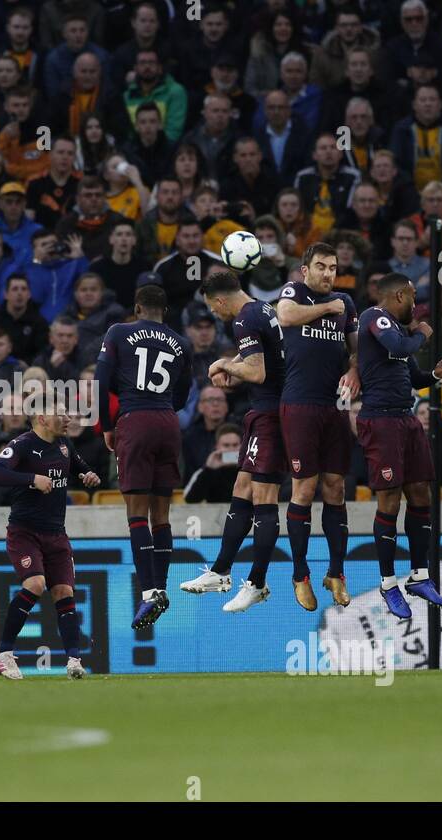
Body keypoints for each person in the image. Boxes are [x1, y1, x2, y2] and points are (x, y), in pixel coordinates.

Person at [181, 272, 286, 612]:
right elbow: (266, 359)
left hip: (275, 413)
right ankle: (220, 570)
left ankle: (257, 581)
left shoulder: (244, 319)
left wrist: (227, 362)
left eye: (213, 307)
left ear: (221, 300)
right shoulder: (263, 310)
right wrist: (233, 364)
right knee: (242, 485)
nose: (215, 314)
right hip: (267, 410)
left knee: (263, 494)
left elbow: (258, 372)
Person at [355, 273, 442, 618]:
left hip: (405, 418)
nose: (416, 304)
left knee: (420, 493)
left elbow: (414, 377)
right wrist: (422, 335)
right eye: (412, 296)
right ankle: (388, 583)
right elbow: (401, 348)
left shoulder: (397, 332)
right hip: (380, 421)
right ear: (398, 295)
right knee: (390, 500)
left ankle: (419, 575)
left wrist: (437, 374)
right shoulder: (375, 318)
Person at [96, 283, 191, 630]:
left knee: (136, 514)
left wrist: (107, 425)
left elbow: (99, 379)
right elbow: (183, 393)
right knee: (161, 515)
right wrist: (163, 408)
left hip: (135, 420)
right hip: (168, 422)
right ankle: (161, 588)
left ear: (137, 309)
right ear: (164, 312)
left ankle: (149, 591)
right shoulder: (181, 342)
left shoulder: (119, 332)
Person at [0, 403, 100, 680]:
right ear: (41, 418)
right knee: (35, 584)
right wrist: (30, 479)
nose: (66, 417)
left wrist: (87, 475)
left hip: (56, 534)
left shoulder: (64, 444)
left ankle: (74, 660)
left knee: (64, 592)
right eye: (59, 414)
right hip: (24, 532)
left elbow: (79, 467)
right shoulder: (23, 444)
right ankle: (4, 652)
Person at [275, 243, 360, 611]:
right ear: (305, 270)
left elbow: (356, 349)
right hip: (299, 404)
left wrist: (356, 369)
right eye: (321, 267)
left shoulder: (347, 304)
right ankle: (299, 575)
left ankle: (337, 572)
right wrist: (328, 308)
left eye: (333, 268)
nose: (328, 274)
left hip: (336, 404)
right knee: (304, 488)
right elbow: (286, 316)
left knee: (336, 487)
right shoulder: (296, 293)